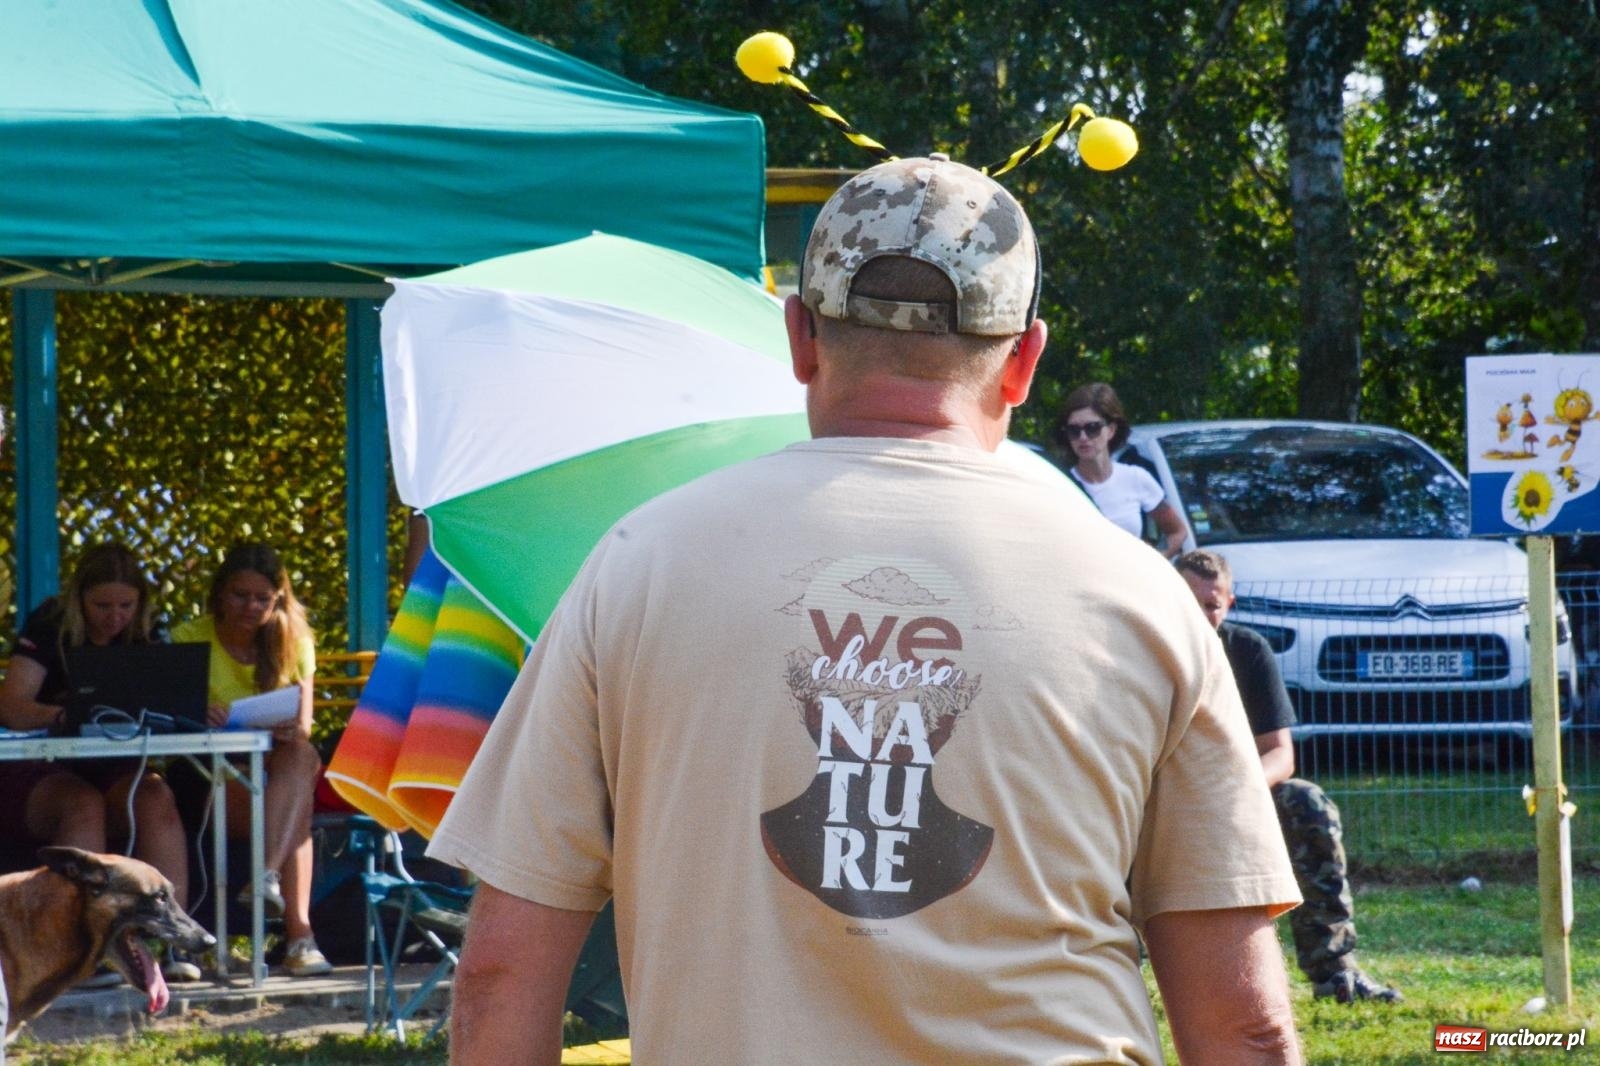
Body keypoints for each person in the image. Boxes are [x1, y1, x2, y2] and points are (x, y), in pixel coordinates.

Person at [430, 154, 1302, 1063]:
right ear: (1025, 362)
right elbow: (1243, 1026)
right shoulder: (1140, 595)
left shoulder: (636, 565)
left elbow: (501, 978)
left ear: (801, 336)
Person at [1175, 549, 1403, 1004]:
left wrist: (1236, 793)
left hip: (1235, 796)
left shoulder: (1247, 651)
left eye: (1210, 605)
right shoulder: (1141, 653)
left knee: (1307, 802)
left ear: (1228, 604)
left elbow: (1280, 753)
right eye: (1187, 602)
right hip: (1158, 797)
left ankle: (1337, 973)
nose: (1199, 616)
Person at [0, 543, 199, 983]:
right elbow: (12, 705)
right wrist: (63, 715)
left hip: (115, 767)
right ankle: (75, 949)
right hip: (42, 766)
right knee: (82, 804)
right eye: (102, 605)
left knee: (155, 797)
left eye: (125, 606)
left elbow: (170, 701)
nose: (114, 617)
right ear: (79, 599)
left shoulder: (150, 630)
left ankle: (169, 945)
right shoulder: (50, 623)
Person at [171, 544, 331, 978]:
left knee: (302, 755)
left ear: (279, 599)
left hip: (271, 770)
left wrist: (286, 729)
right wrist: (200, 714)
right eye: (241, 595)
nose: (251, 607)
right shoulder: (189, 638)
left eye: (263, 598)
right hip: (209, 774)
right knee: (296, 812)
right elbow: (173, 721)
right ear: (220, 594)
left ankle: (264, 877)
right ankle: (299, 937)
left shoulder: (294, 640)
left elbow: (304, 725)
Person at [1054, 382, 1189, 557]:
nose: (1083, 437)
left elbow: (1177, 531)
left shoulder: (1136, 478)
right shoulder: (1059, 486)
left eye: (1092, 428)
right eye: (1074, 430)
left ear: (1111, 430)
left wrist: (1152, 562)